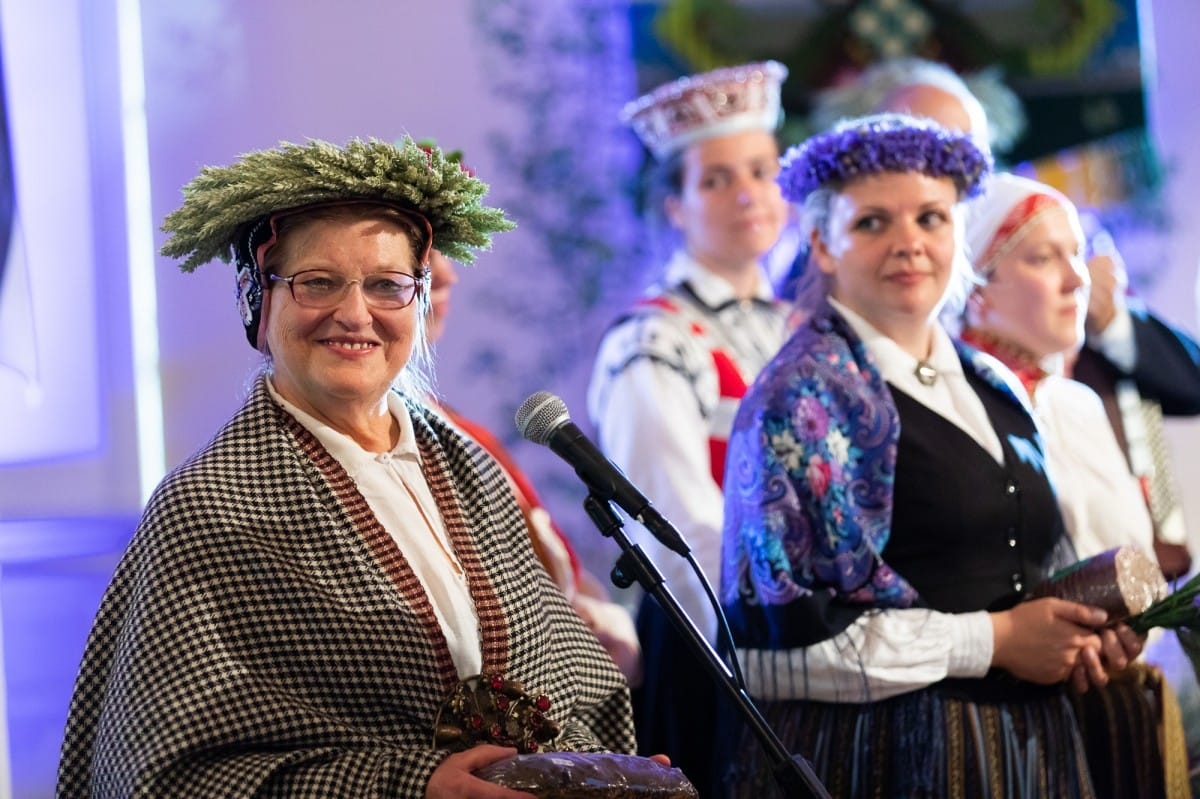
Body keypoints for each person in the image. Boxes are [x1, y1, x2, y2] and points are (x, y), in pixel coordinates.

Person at [56, 137, 638, 798]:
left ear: (419, 304)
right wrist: (413, 786)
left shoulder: (471, 468)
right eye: (318, 283)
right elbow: (169, 775)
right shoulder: (209, 506)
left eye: (387, 285)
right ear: (259, 301)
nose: (355, 313)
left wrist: (601, 773)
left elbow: (572, 680)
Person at [720, 114, 1135, 798]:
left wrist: (1084, 632)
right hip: (881, 759)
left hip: (1034, 750)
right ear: (822, 244)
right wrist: (994, 640)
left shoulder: (993, 381)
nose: (908, 243)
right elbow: (776, 650)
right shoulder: (799, 399)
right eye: (873, 223)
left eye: (932, 219)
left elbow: (1032, 565)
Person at [854, 55, 1200, 579]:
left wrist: (1101, 318)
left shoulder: (1027, 224)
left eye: (966, 149)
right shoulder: (854, 295)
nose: (949, 174)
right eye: (920, 152)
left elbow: (1189, 382)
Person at [586, 60, 791, 795]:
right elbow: (673, 523)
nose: (748, 194)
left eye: (763, 171)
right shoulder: (652, 340)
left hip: (810, 638)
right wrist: (762, 649)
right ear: (674, 204)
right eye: (716, 179)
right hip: (721, 647)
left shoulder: (802, 323)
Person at [959, 171, 1190, 798]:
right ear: (976, 288)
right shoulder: (964, 408)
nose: (1076, 277)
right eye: (1042, 257)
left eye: (1076, 252)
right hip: (1022, 714)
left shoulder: (1078, 403)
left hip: (1121, 692)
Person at [425, 247, 642, 685]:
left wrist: (597, 622)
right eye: (425, 256)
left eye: (445, 253)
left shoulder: (466, 437)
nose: (447, 275)